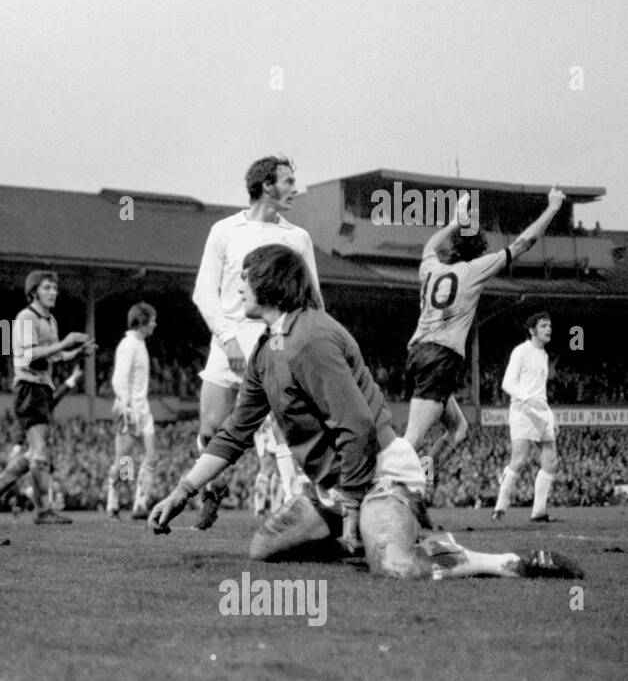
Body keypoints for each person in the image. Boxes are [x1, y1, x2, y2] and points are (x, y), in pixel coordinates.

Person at [148, 245, 581, 580]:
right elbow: (233, 433)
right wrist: (181, 492)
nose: (238, 285)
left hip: (379, 476)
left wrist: (353, 504)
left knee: (397, 568)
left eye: (245, 276)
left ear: (270, 281)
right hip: (336, 489)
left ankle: (506, 562)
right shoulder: (268, 349)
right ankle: (379, 536)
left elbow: (355, 424)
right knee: (264, 548)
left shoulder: (311, 337)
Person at [403, 187, 566, 496]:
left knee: (459, 430)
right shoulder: (474, 269)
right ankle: (369, 500)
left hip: (416, 355)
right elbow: (523, 243)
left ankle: (423, 475)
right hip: (440, 357)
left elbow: (428, 247)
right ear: (478, 251)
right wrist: (552, 209)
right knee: (411, 437)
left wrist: (454, 222)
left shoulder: (431, 267)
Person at [190, 156, 315, 529]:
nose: (296, 188)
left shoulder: (297, 238)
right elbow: (202, 292)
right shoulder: (224, 231)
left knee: (285, 432)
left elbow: (313, 299)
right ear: (266, 186)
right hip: (226, 345)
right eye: (289, 181)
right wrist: (227, 339)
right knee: (212, 428)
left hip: (275, 346)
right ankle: (212, 490)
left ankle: (301, 511)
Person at [0, 272, 94, 524]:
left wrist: (75, 353)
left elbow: (51, 357)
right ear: (34, 292)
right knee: (41, 451)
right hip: (28, 387)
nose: (54, 292)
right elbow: (30, 355)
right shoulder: (26, 318)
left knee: (34, 454)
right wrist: (64, 344)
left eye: (55, 288)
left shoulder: (50, 320)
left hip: (42, 389)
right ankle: (43, 511)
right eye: (47, 288)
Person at [493, 312, 560, 522]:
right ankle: (500, 505)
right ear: (532, 330)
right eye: (543, 326)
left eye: (549, 325)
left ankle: (539, 511)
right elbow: (507, 383)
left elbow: (541, 390)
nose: (548, 329)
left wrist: (551, 416)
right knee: (519, 459)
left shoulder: (544, 355)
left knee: (551, 461)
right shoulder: (521, 351)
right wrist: (526, 398)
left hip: (542, 411)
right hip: (523, 410)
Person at [105, 303, 158, 519]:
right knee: (124, 460)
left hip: (143, 407)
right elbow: (119, 378)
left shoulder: (140, 344)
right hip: (130, 409)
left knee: (152, 457)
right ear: (142, 321)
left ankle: (140, 505)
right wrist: (125, 407)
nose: (155, 323)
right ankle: (113, 502)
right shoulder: (129, 344)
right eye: (153, 319)